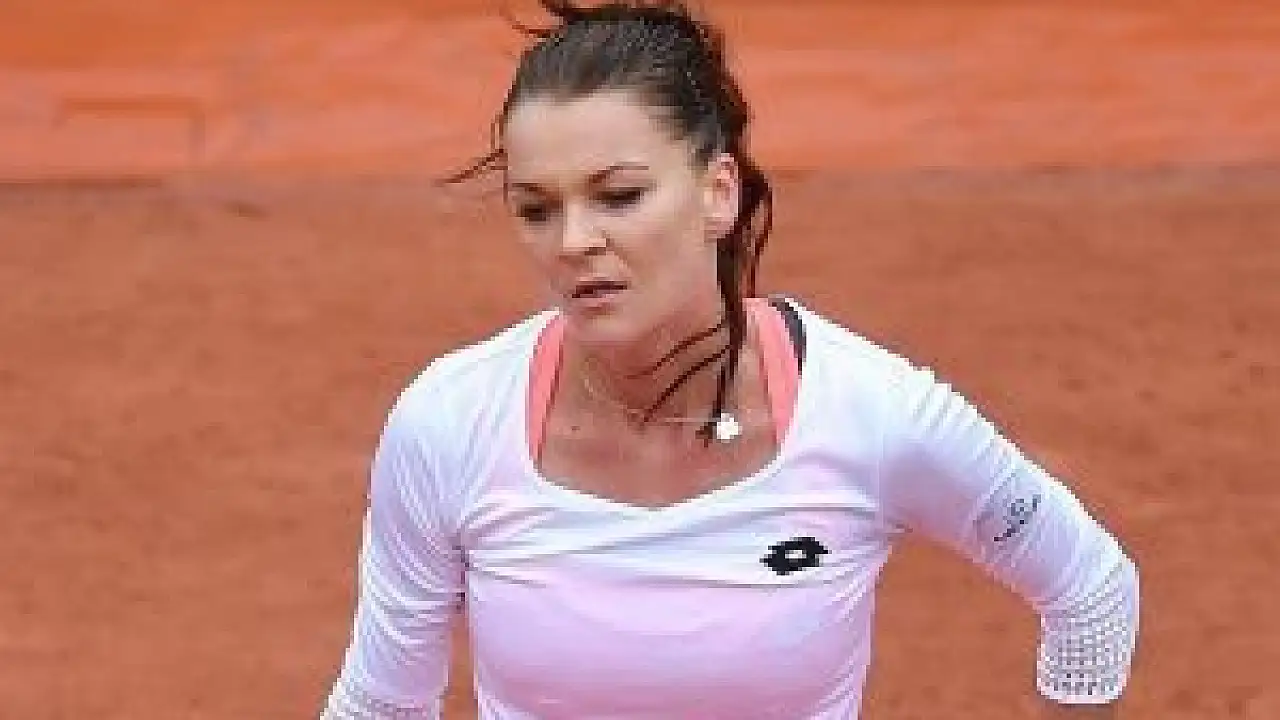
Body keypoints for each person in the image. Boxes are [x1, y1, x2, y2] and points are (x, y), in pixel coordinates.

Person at [319, 1, 1141, 717]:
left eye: (619, 196)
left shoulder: (872, 413)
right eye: (537, 210)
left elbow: (1091, 591)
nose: (574, 242)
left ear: (718, 192)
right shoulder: (450, 423)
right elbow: (384, 704)